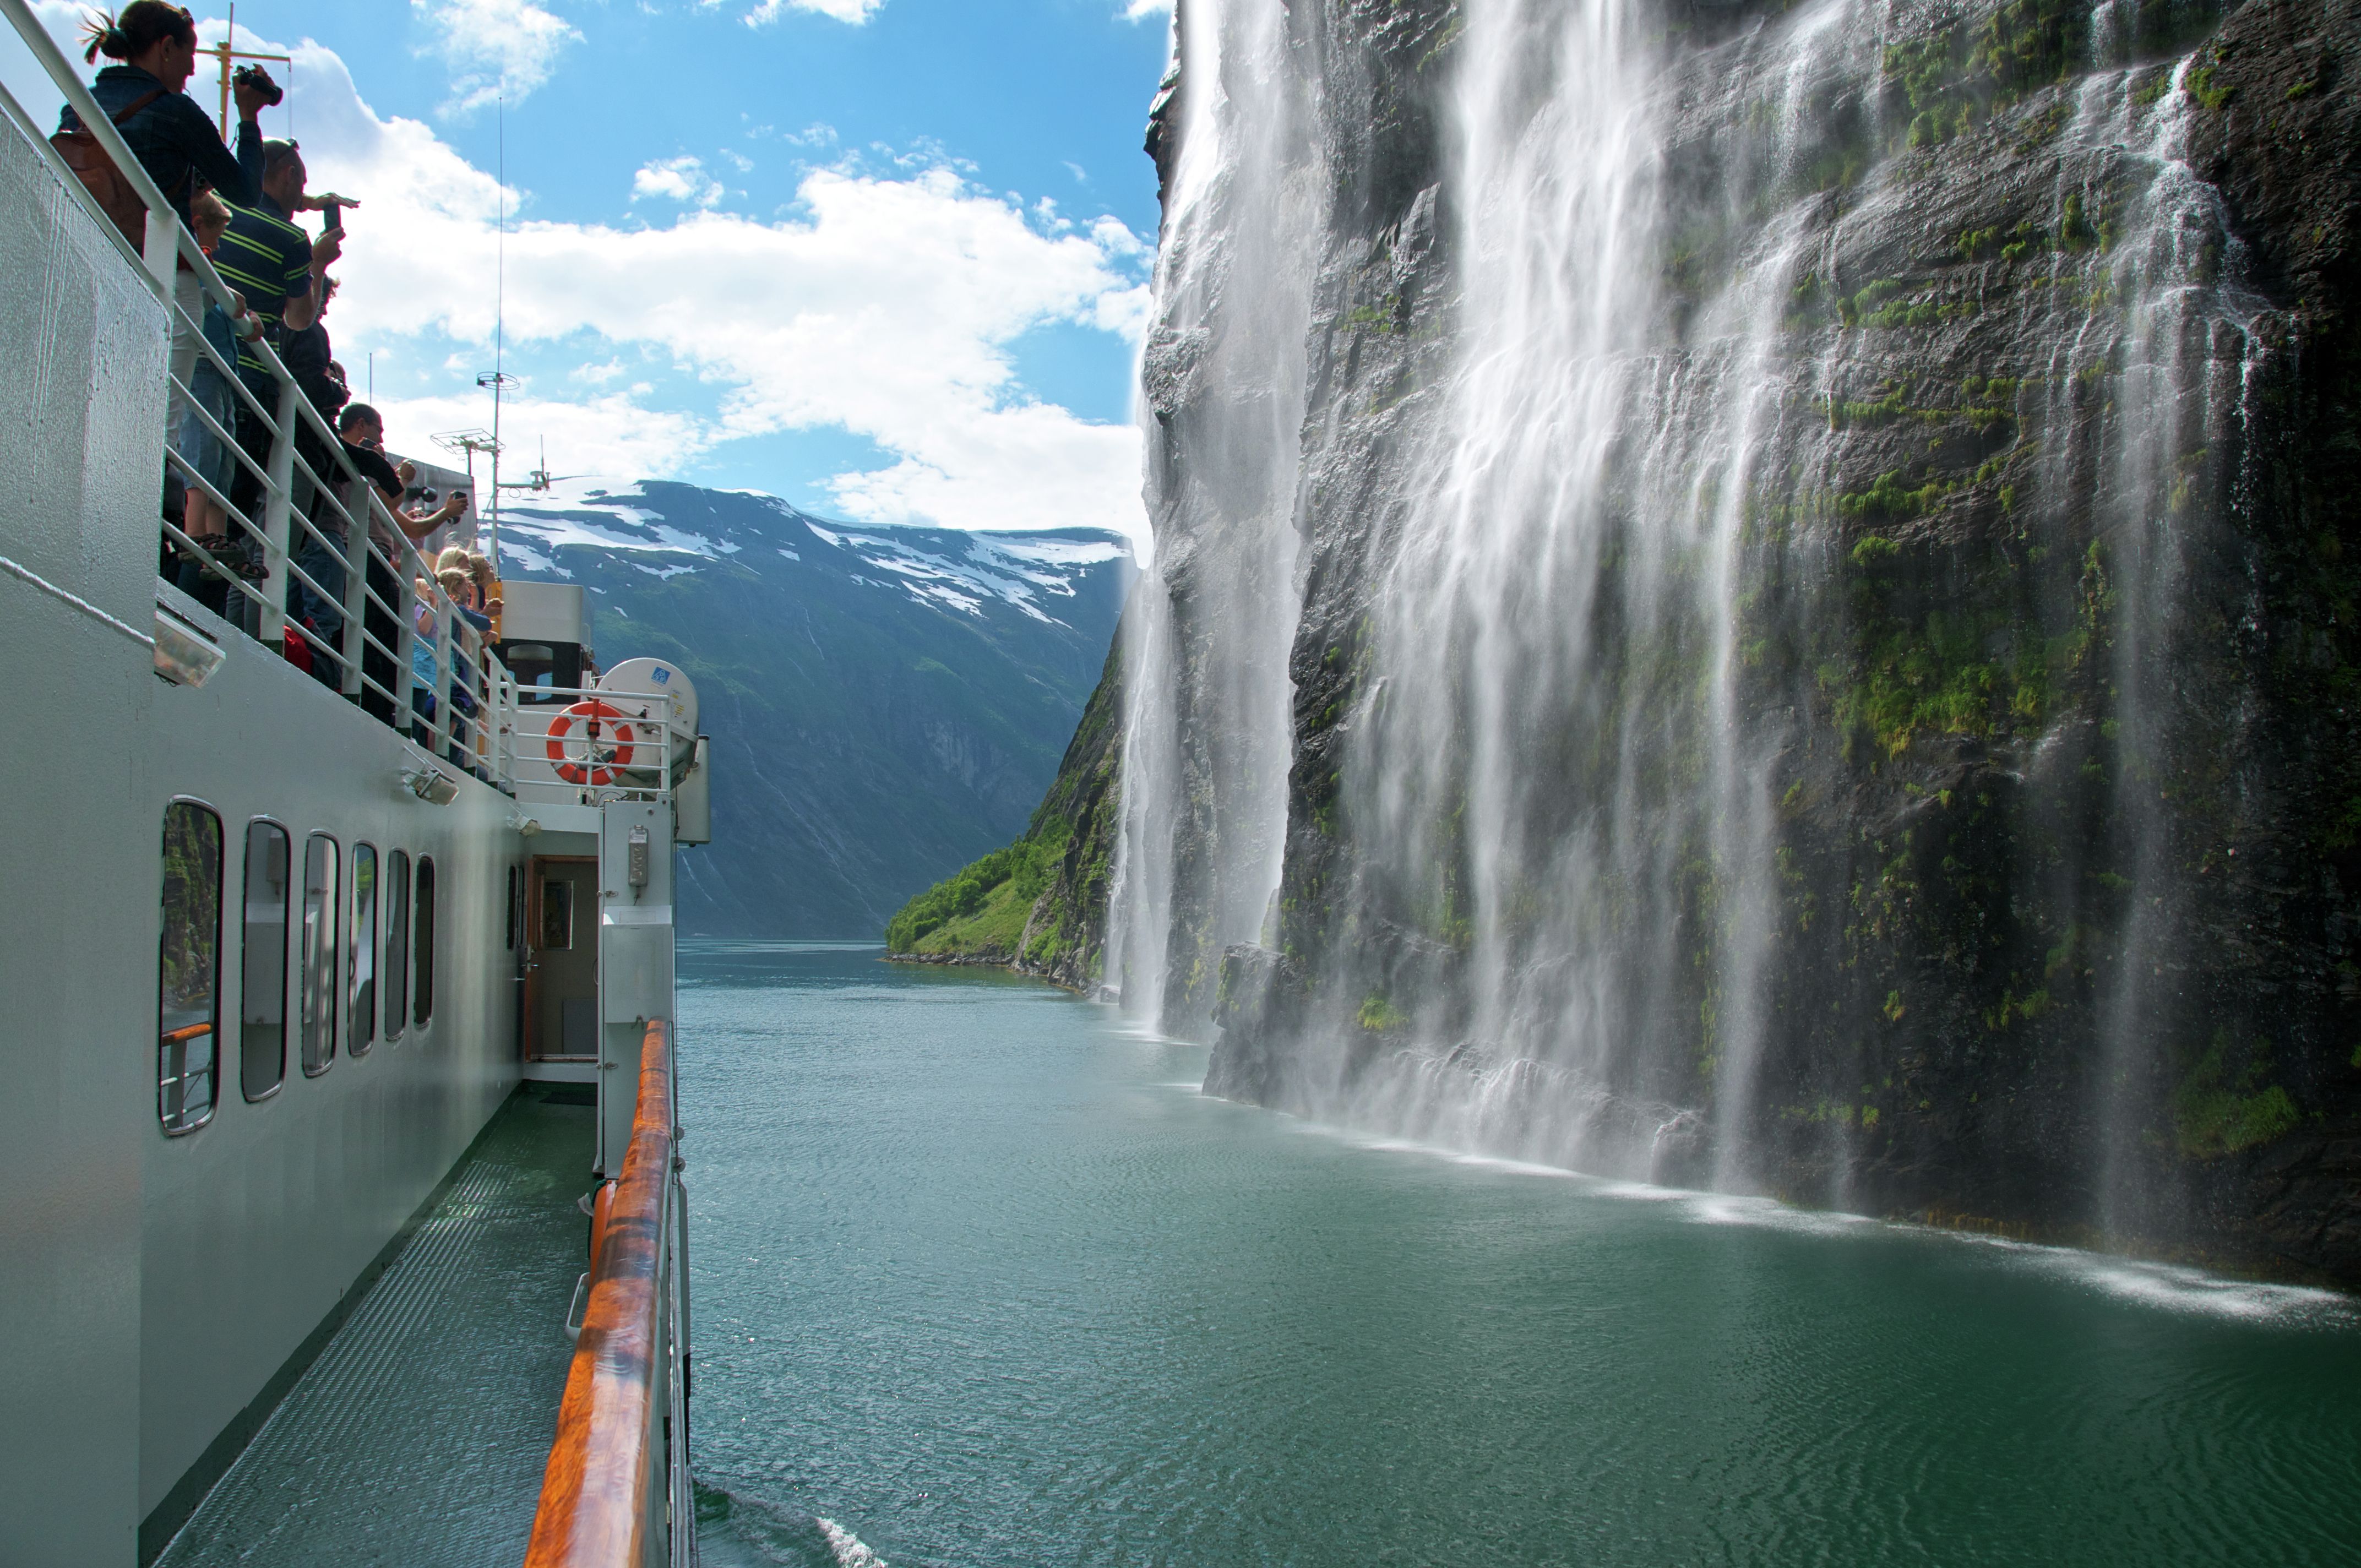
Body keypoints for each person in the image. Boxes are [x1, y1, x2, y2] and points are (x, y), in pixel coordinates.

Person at [62, 4, 270, 513]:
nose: (194, 68)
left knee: (91, 398)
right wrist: (248, 117)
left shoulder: (81, 104)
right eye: (191, 54)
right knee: (158, 416)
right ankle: (134, 533)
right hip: (162, 279)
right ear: (167, 47)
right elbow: (243, 191)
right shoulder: (175, 111)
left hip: (91, 260)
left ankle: (80, 507)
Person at [172, 191, 255, 607]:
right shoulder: (192, 260)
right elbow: (217, 303)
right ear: (199, 223)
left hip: (223, 372)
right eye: (216, 233)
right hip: (205, 367)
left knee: (221, 460)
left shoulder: (203, 267)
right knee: (203, 450)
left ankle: (215, 536)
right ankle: (195, 534)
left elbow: (238, 320)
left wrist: (240, 311)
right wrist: (232, 300)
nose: (219, 246)